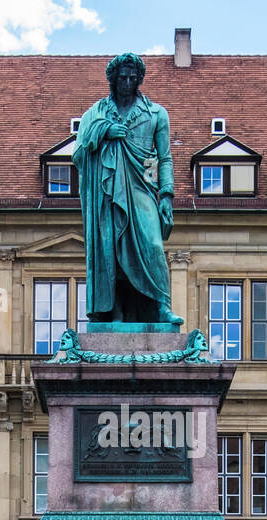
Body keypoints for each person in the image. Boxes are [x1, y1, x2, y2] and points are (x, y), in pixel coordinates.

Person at [73, 53, 183, 326]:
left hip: (143, 186)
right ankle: (115, 312)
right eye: (122, 77)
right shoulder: (96, 113)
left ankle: (162, 307)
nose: (127, 82)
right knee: (111, 250)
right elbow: (78, 152)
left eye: (133, 78)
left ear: (139, 80)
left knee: (153, 244)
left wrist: (167, 195)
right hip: (107, 192)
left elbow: (164, 157)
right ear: (113, 78)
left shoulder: (156, 113)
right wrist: (104, 131)